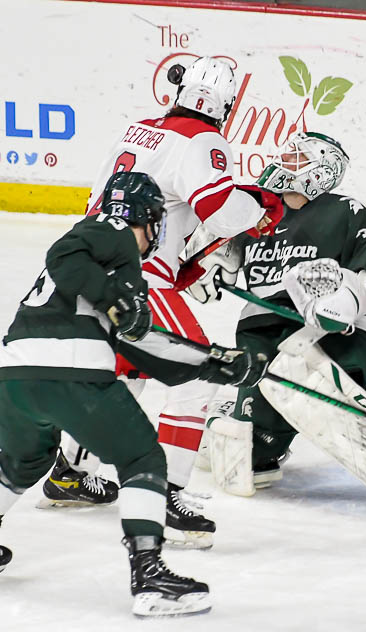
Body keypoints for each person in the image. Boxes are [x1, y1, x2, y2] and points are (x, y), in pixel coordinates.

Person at [0, 171, 269, 617]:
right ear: (147, 218)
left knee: (22, 462)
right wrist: (117, 298)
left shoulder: (111, 272)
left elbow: (141, 345)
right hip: (72, 372)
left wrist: (214, 363)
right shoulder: (113, 233)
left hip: (13, 377)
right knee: (143, 458)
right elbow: (63, 254)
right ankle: (150, 578)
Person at [43, 55, 283, 548]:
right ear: (225, 106)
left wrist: (181, 262)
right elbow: (219, 210)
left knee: (125, 371)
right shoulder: (203, 139)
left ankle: (71, 472)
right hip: (139, 278)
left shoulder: (137, 131)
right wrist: (259, 206)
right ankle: (165, 498)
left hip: (89, 271)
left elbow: (121, 202)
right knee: (198, 373)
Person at [183, 130, 366, 516]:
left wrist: (352, 295)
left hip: (332, 333)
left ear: (321, 172)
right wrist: (203, 265)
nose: (284, 161)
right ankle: (230, 413)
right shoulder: (256, 212)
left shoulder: (341, 210)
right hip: (261, 338)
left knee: (305, 380)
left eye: (297, 157)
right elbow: (208, 251)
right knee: (245, 455)